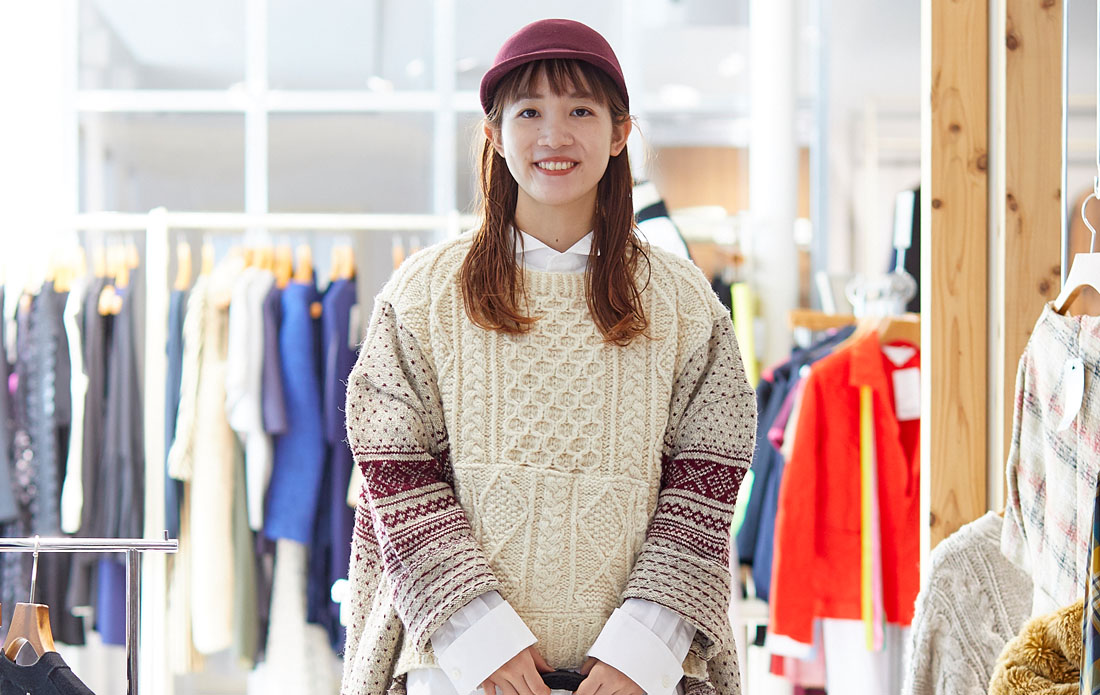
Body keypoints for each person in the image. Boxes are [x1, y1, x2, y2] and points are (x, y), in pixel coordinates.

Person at [340, 18, 756, 695]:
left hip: (636, 676)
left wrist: (642, 650)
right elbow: (395, 470)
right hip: (456, 671)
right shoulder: (422, 294)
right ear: (493, 133)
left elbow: (704, 484)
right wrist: (481, 641)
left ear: (620, 132)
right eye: (528, 111)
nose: (553, 135)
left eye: (580, 110)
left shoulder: (685, 304)